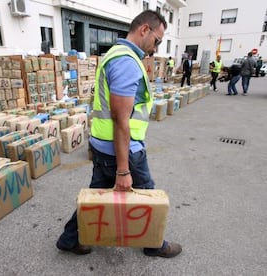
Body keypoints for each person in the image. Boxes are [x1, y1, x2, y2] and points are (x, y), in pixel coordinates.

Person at [56, 10, 182, 258]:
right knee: (146, 193)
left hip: (104, 147)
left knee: (98, 192)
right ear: (144, 30)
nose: (155, 49)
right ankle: (154, 243)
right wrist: (123, 171)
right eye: (157, 41)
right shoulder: (126, 61)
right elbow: (120, 119)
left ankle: (70, 239)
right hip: (122, 150)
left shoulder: (115, 54)